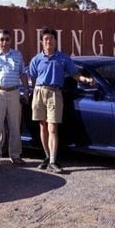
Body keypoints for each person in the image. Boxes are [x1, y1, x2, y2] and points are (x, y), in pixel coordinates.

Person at [29, 27, 94, 174]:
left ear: (55, 41)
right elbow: (32, 76)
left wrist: (86, 80)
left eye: (51, 39)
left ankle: (53, 160)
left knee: (52, 128)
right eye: (46, 39)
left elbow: (75, 74)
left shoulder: (63, 58)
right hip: (39, 92)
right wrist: (32, 91)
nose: (48, 42)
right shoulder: (36, 59)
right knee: (42, 127)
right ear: (41, 42)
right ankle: (47, 157)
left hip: (54, 93)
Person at [0, 29, 29, 167]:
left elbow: (22, 73)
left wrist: (26, 91)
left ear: (11, 40)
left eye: (7, 39)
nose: (4, 42)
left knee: (15, 126)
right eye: (2, 39)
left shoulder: (17, 55)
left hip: (14, 93)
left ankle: (15, 155)